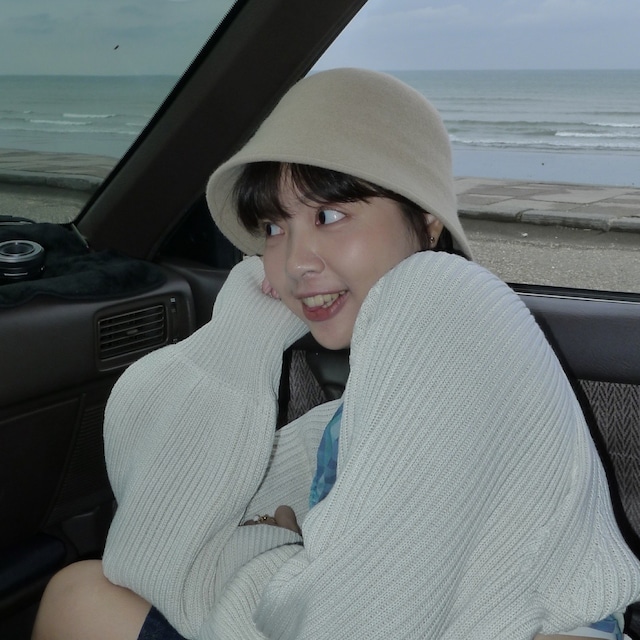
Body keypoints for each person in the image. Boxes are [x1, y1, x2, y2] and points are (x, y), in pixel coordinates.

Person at [32, 68, 640, 640]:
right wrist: (243, 333)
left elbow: (350, 619)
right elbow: (155, 546)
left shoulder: (446, 300)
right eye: (274, 228)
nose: (294, 262)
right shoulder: (341, 422)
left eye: (328, 215)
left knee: (77, 600)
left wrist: (260, 556)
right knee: (80, 593)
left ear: (427, 221)